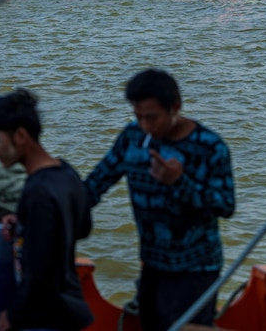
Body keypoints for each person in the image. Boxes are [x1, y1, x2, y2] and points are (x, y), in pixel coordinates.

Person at [84, 69, 235, 331]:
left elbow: (225, 205)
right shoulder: (133, 137)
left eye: (152, 117)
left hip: (196, 269)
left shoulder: (210, 146)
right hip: (152, 264)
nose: (146, 126)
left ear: (175, 107)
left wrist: (180, 182)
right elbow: (98, 181)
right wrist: (54, 209)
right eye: (138, 116)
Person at [0, 88, 93, 331]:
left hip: (46, 317)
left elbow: (38, 275)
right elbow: (83, 228)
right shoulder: (67, 173)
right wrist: (24, 224)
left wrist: (11, 318)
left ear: (21, 136)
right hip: (71, 308)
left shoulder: (37, 192)